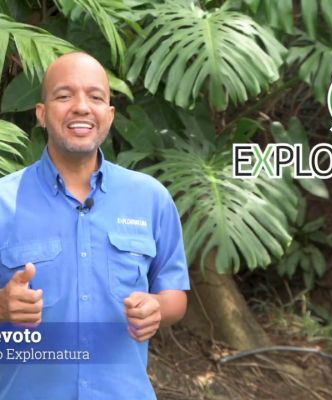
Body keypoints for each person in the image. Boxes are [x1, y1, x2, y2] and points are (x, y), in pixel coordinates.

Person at [0, 52, 190, 399]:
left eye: (95, 97)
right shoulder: (4, 200)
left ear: (109, 115)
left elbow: (174, 293)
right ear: (41, 113)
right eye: (64, 95)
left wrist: (158, 309)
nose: (81, 107)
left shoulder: (150, 198)